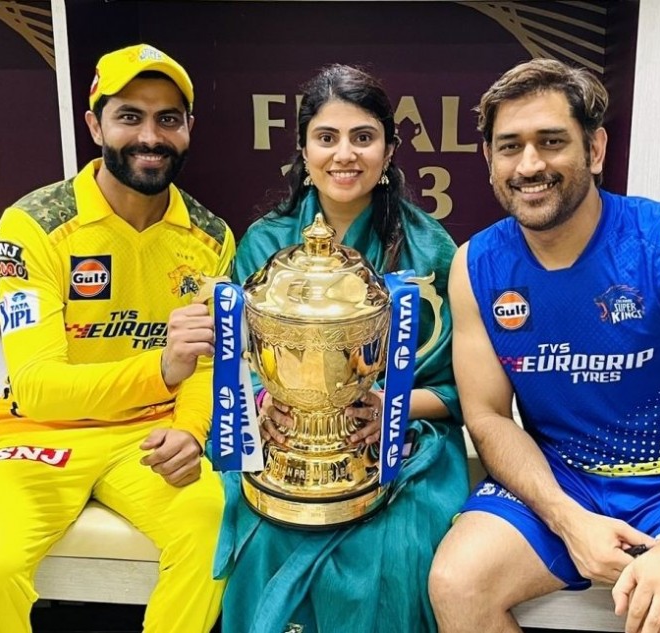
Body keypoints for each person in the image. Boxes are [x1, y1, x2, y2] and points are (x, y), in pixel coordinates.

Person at [428, 58, 660, 633]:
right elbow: (488, 416)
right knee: (457, 583)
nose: (530, 165)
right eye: (509, 146)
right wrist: (567, 519)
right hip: (564, 479)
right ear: (488, 161)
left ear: (594, 150)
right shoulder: (475, 264)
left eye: (552, 142)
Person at [0, 44, 234, 633]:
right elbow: (38, 387)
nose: (149, 136)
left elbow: (205, 367)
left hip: (148, 438)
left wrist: (190, 432)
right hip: (40, 437)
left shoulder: (212, 238)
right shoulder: (35, 224)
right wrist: (160, 370)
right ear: (94, 124)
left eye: (168, 119)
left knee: (215, 526)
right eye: (129, 115)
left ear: (188, 131)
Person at [214, 64, 468, 633]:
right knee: (263, 534)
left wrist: (392, 408)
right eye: (326, 138)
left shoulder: (431, 250)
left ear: (389, 149)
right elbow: (241, 363)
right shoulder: (267, 243)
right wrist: (266, 407)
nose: (344, 155)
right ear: (303, 151)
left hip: (403, 445)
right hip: (281, 444)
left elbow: (463, 387)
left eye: (363, 137)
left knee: (397, 547)